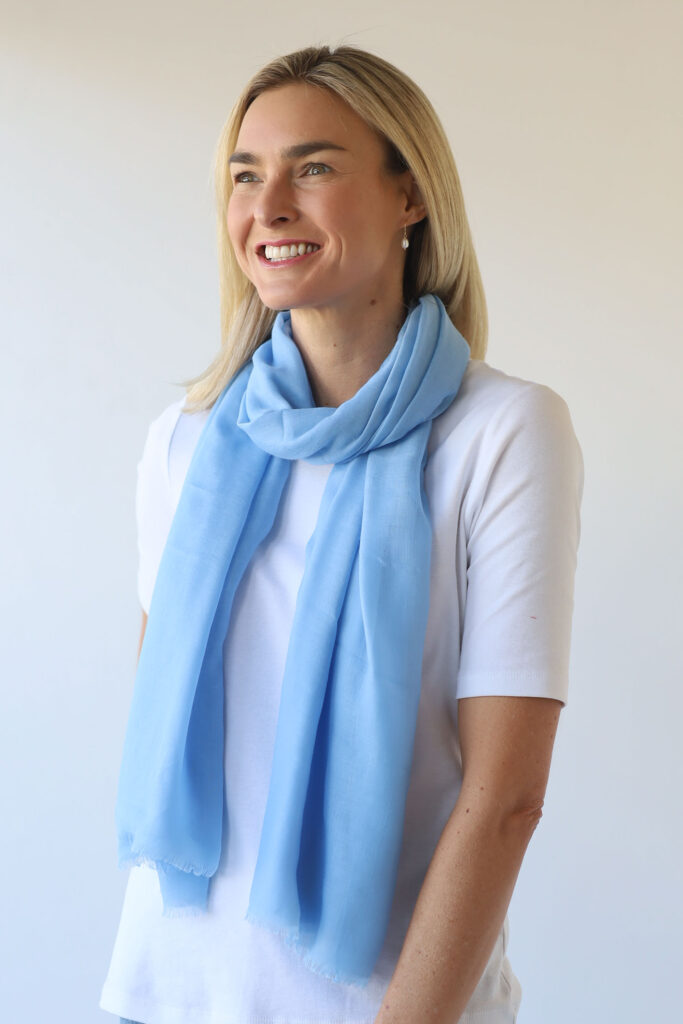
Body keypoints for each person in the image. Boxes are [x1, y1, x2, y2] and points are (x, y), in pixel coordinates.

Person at [99, 43, 583, 1024]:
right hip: (162, 992)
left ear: (410, 194)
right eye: (245, 175)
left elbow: (505, 797)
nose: (268, 206)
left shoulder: (499, 433)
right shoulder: (185, 444)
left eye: (312, 167)